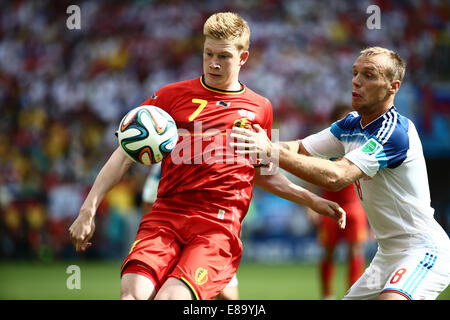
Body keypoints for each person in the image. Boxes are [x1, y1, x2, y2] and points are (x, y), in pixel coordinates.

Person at [69, 12, 345, 300]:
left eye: (223, 56)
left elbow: (263, 173)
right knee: (133, 296)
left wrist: (313, 200)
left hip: (217, 226)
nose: (213, 63)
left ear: (243, 58)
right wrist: (88, 210)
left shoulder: (260, 108)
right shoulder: (169, 96)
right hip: (165, 217)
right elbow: (125, 153)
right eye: (208, 53)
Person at [231, 46, 450, 300]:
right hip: (388, 254)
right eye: (355, 73)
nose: (357, 81)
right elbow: (299, 148)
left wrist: (268, 150)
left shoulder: (394, 132)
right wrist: (252, 145)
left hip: (423, 249)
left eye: (369, 75)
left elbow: (336, 176)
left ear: (393, 86)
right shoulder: (350, 124)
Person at [141, 162, 239, 300]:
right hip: (172, 236)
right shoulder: (166, 160)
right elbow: (147, 200)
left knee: (227, 295)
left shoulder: (220, 156)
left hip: (211, 236)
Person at [305, 104, 368, 299]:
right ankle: (327, 295)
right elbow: (310, 172)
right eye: (344, 119)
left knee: (355, 251)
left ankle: (352, 294)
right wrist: (311, 204)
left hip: (354, 205)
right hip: (329, 204)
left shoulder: (360, 142)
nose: (349, 123)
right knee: (329, 251)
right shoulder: (326, 144)